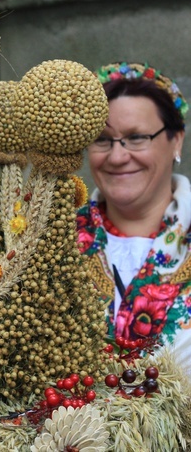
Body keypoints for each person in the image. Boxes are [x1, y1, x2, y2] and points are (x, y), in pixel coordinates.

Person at [77, 62, 191, 367]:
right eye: (102, 139)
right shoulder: (55, 242)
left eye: (137, 137)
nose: (117, 156)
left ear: (176, 138)